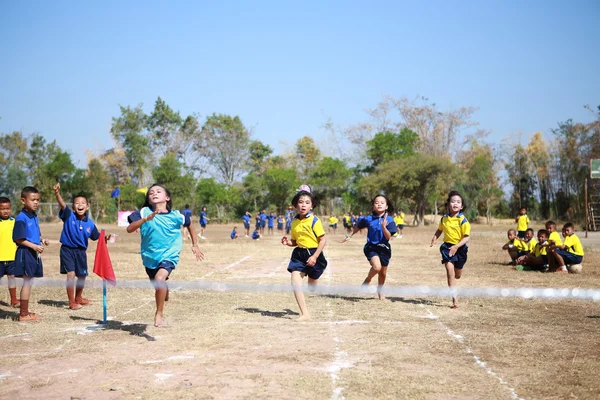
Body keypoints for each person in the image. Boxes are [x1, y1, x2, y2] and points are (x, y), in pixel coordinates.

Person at [127, 183, 204, 327]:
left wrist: (195, 245)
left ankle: (159, 314)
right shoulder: (143, 212)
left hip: (169, 255)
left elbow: (191, 226)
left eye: (158, 191)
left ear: (167, 197)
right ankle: (164, 290)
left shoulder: (177, 215)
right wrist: (145, 219)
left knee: (159, 279)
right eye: (151, 193)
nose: (154, 194)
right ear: (149, 200)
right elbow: (129, 229)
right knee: (159, 285)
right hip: (149, 257)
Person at [281, 185, 327, 321]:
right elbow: (295, 241)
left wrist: (315, 256)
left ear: (312, 206)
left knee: (312, 287)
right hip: (299, 255)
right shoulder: (294, 222)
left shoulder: (314, 221)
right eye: (300, 202)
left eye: (307, 202)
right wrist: (288, 242)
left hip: (314, 254)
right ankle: (305, 314)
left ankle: (313, 279)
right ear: (296, 205)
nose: (303, 205)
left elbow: (323, 240)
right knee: (295, 281)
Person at [53, 183, 102, 310]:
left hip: (81, 252)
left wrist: (107, 238)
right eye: (77, 203)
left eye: (83, 203)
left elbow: (97, 237)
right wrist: (57, 193)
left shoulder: (90, 224)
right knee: (71, 274)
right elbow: (62, 204)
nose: (80, 205)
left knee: (82, 275)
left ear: (87, 206)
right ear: (73, 207)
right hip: (67, 250)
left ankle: (79, 297)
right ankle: (71, 302)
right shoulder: (69, 215)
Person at [343, 195, 396, 300]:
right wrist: (350, 235)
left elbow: (388, 236)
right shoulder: (368, 219)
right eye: (376, 202)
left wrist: (384, 226)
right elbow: (358, 226)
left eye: (382, 202)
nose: (379, 204)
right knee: (377, 267)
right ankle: (368, 279)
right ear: (373, 206)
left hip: (384, 248)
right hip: (371, 247)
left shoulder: (390, 220)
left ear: (386, 206)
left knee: (383, 273)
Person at [12, 186, 49, 321]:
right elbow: (19, 238)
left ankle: (25, 311)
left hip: (32, 252)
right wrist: (34, 246)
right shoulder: (21, 218)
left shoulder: (33, 216)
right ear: (23, 200)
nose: (36, 203)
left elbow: (34, 235)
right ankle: (23, 314)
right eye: (33, 199)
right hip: (25, 252)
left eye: (38, 200)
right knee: (27, 282)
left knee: (29, 281)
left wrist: (42, 240)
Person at [430, 191, 470, 308]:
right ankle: (454, 300)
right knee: (450, 273)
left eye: (458, 202)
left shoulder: (463, 220)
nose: (455, 204)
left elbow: (466, 237)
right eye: (453, 201)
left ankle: (458, 272)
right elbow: (440, 230)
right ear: (449, 204)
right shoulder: (444, 219)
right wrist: (435, 237)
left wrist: (457, 246)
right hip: (447, 248)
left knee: (457, 275)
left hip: (460, 248)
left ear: (461, 206)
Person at [0, 197, 19, 308]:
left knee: (12, 277)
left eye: (7, 208)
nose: (5, 211)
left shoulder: (14, 222)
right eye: (2, 209)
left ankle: (14, 300)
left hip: (12, 256)